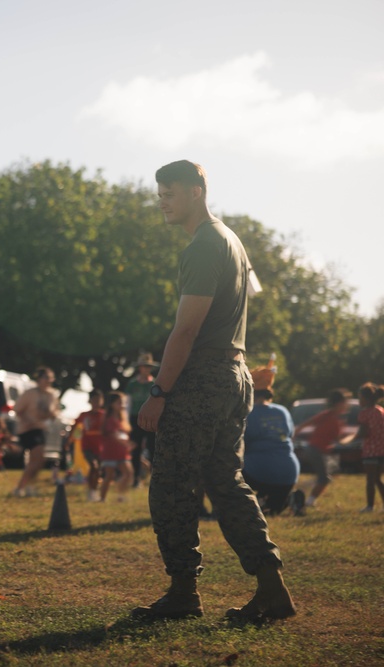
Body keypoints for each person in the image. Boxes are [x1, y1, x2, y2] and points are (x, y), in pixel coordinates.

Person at [133, 161, 294, 623]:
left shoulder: (204, 246)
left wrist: (159, 391)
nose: (161, 200)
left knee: (171, 485)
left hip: (203, 379)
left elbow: (185, 331)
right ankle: (271, 587)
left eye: (170, 192)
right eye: (159, 192)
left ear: (197, 192)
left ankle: (183, 592)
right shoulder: (231, 240)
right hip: (234, 374)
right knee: (225, 483)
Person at [242, 381, 300, 517]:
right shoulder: (283, 410)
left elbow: (240, 443)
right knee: (271, 512)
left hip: (258, 471)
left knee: (229, 478)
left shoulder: (248, 413)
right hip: (289, 473)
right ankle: (289, 499)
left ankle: (250, 503)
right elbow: (290, 435)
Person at [293, 389, 351, 508]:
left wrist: (353, 437)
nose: (347, 405)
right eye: (345, 402)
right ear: (338, 403)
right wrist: (292, 438)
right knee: (324, 479)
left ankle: (302, 492)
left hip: (320, 451)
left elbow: (340, 441)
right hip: (315, 450)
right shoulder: (328, 416)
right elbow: (305, 424)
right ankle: (307, 501)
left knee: (325, 477)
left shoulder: (335, 418)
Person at [10, 367, 60, 497]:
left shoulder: (52, 395)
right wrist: (28, 420)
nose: (49, 381)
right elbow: (17, 410)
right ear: (39, 379)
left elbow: (55, 412)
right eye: (46, 378)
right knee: (37, 458)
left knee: (38, 461)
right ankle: (21, 487)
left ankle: (27, 486)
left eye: (51, 378)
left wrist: (51, 414)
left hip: (42, 428)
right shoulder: (29, 393)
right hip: (28, 429)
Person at [340, 383, 384, 513]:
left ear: (367, 399)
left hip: (371, 450)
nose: (359, 401)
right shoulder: (381, 410)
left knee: (370, 480)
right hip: (382, 450)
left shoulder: (365, 414)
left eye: (360, 398)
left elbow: (363, 433)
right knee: (377, 479)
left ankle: (369, 506)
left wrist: (349, 439)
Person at [125, 353, 158, 487]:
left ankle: (154, 478)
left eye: (149, 367)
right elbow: (128, 403)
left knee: (153, 448)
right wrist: (126, 421)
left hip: (151, 418)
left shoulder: (154, 383)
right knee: (135, 448)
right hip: (134, 418)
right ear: (140, 368)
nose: (146, 369)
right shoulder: (132, 384)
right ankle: (135, 479)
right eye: (144, 366)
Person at [99, 392, 133, 502]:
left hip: (122, 452)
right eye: (119, 403)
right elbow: (113, 435)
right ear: (112, 404)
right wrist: (126, 444)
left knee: (128, 473)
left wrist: (126, 444)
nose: (122, 405)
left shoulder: (121, 419)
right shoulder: (109, 419)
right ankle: (102, 498)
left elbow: (122, 434)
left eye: (123, 403)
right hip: (111, 452)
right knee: (109, 476)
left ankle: (120, 495)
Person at [71, 390, 105, 501]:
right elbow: (74, 429)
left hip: (100, 447)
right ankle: (91, 490)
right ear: (90, 401)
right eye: (94, 399)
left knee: (98, 470)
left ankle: (94, 490)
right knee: (93, 466)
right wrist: (69, 441)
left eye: (98, 400)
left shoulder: (104, 415)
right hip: (87, 446)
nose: (96, 402)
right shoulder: (84, 415)